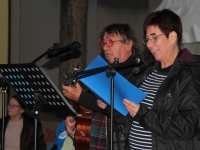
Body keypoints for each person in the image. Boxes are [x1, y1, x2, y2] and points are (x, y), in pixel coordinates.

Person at [103, 9, 200, 150]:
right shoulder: (146, 72)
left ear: (172, 37)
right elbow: (130, 117)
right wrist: (107, 106)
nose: (148, 44)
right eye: (147, 39)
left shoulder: (189, 75)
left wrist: (143, 114)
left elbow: (188, 126)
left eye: (154, 38)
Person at [62, 23, 141, 150]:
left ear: (128, 44)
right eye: (103, 43)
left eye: (110, 42)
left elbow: (121, 109)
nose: (105, 48)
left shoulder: (139, 72)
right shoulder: (105, 71)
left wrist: (80, 97)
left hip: (122, 143)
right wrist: (74, 114)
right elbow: (90, 102)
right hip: (98, 138)